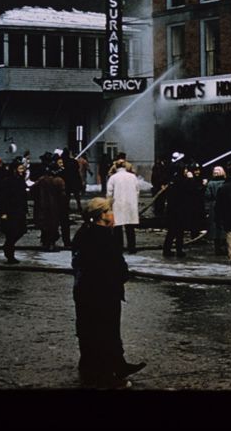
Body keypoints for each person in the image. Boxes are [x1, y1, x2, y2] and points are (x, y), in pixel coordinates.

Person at [71, 197, 146, 389]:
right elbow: (113, 265)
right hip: (103, 292)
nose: (113, 215)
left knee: (90, 329)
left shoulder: (84, 233)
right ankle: (103, 375)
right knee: (104, 331)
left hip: (85, 290)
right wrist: (121, 276)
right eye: (110, 211)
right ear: (102, 216)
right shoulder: (103, 237)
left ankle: (112, 365)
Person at [162, 156, 201, 257]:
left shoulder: (173, 181)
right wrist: (191, 179)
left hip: (172, 210)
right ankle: (178, 250)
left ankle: (167, 249)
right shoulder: (185, 181)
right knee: (179, 231)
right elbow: (193, 191)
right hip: (181, 209)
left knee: (172, 231)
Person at [33, 160, 69, 251]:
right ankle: (51, 244)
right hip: (55, 207)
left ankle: (45, 242)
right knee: (53, 225)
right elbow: (63, 195)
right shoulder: (59, 181)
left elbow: (33, 190)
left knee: (45, 224)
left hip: (43, 205)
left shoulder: (42, 179)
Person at [0, 158, 29, 264]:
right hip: (10, 211)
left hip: (19, 210)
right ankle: (9, 254)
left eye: (22, 168)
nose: (22, 170)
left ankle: (8, 247)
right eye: (20, 168)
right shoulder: (7, 181)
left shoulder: (20, 180)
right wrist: (3, 213)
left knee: (21, 230)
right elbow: (3, 198)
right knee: (11, 232)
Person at [107, 159, 140, 254]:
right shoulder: (133, 177)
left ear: (116, 167)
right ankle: (132, 247)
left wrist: (109, 204)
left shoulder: (113, 178)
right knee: (130, 227)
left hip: (118, 204)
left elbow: (109, 192)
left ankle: (119, 247)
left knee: (118, 227)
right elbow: (137, 190)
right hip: (130, 204)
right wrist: (135, 200)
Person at [203, 165, 227, 255]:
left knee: (215, 227)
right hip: (224, 205)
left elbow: (207, 196)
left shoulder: (210, 183)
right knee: (224, 226)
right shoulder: (225, 183)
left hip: (214, 206)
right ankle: (225, 247)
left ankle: (217, 248)